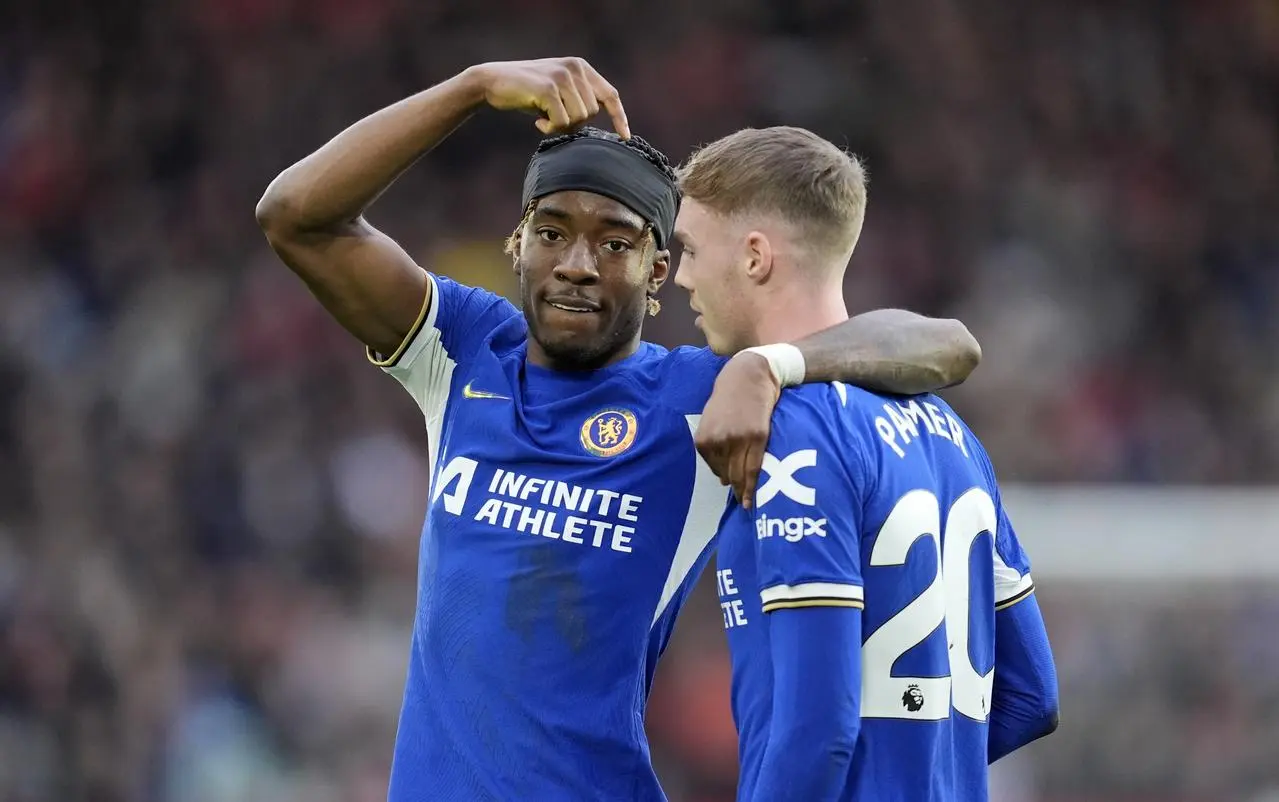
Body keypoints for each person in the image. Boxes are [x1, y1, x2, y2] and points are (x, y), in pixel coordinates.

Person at [255, 58, 980, 801]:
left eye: (614, 242)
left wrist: (773, 366)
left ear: (658, 271)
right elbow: (295, 215)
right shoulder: (465, 350)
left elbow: (945, 343)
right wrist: (470, 88)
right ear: (518, 245)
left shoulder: (699, 392)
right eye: (551, 232)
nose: (575, 264)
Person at [674, 126, 1059, 802]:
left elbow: (817, 729)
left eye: (691, 250)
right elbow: (1030, 696)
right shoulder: (954, 435)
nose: (679, 275)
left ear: (755, 257)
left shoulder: (790, 428)